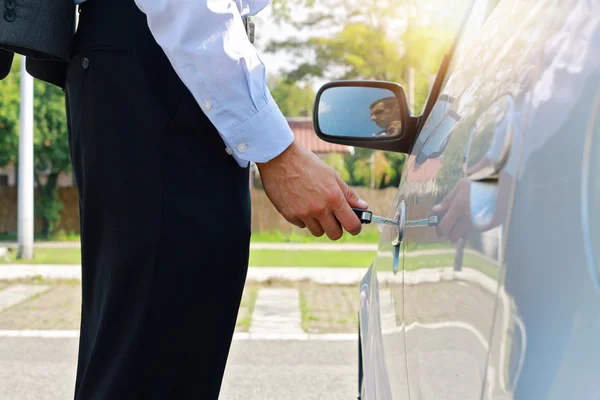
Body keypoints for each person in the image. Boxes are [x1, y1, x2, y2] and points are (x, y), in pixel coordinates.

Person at [63, 0, 369, 399]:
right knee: (150, 371)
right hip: (164, 71)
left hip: (154, 69)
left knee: (151, 361)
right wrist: (279, 154)